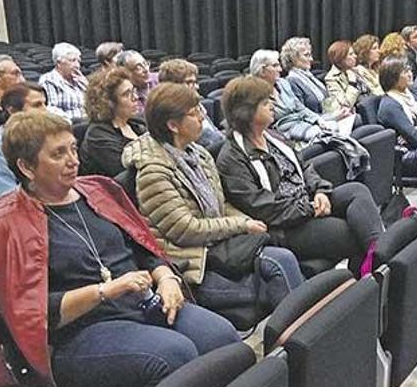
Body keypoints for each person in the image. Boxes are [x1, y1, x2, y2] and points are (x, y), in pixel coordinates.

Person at [0, 110, 239, 387]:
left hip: (142, 304)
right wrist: (105, 291)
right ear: (27, 167)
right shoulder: (4, 224)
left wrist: (167, 278)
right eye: (58, 154)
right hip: (77, 334)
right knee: (175, 354)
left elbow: (141, 249)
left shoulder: (98, 190)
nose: (73, 160)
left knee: (220, 336)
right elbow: (29, 313)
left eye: (73, 148)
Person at [123, 83, 304, 315]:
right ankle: (297, 341)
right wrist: (241, 225)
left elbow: (221, 204)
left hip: (217, 245)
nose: (203, 116)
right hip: (191, 261)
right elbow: (185, 229)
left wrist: (246, 221)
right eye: (194, 112)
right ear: (173, 126)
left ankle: (300, 338)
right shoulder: (153, 172)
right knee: (275, 275)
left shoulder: (198, 153)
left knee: (283, 259)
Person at [216, 76, 383, 270]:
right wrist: (310, 208)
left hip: (305, 204)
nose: (272, 105)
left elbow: (304, 168)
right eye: (265, 102)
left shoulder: (273, 136)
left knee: (356, 190)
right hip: (284, 227)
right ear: (245, 112)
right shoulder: (232, 157)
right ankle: (380, 268)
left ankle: (380, 259)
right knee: (352, 232)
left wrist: (320, 191)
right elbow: (261, 207)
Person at [249, 50, 369, 178]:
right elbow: (267, 123)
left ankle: (350, 167)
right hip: (283, 129)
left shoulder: (282, 84)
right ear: (262, 70)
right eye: (275, 66)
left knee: (341, 124)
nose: (280, 69)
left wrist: (318, 120)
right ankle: (347, 167)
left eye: (279, 64)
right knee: (327, 135)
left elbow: (300, 107)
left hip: (302, 120)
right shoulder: (254, 91)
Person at [0, 82, 48, 198]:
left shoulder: (47, 140)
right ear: (13, 111)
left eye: (45, 104)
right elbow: (10, 200)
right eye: (37, 105)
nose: (45, 111)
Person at [80, 68, 147, 177]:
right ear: (109, 102)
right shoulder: (98, 135)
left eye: (134, 91)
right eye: (127, 94)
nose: (135, 97)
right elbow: (127, 174)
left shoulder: (136, 123)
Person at [158, 58, 225, 148]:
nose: (196, 86)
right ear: (174, 86)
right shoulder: (171, 112)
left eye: (195, 82)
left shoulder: (196, 105)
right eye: (190, 82)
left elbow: (214, 133)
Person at [324, 40, 381, 114]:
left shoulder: (355, 70)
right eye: (351, 54)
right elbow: (345, 104)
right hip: (357, 112)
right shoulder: (331, 78)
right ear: (341, 58)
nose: (355, 56)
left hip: (373, 103)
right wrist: (352, 84)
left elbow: (371, 89)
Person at [39, 42, 88, 121]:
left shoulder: (80, 80)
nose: (77, 65)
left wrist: (87, 85)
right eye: (72, 61)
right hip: (67, 125)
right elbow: (52, 109)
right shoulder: (48, 80)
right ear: (59, 63)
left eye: (78, 61)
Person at [281, 36, 327, 113]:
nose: (311, 59)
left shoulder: (310, 77)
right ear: (293, 58)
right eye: (306, 55)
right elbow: (300, 113)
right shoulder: (292, 81)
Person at [115, 50, 158, 114]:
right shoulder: (125, 94)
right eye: (138, 67)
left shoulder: (160, 79)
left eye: (145, 63)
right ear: (126, 72)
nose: (146, 69)